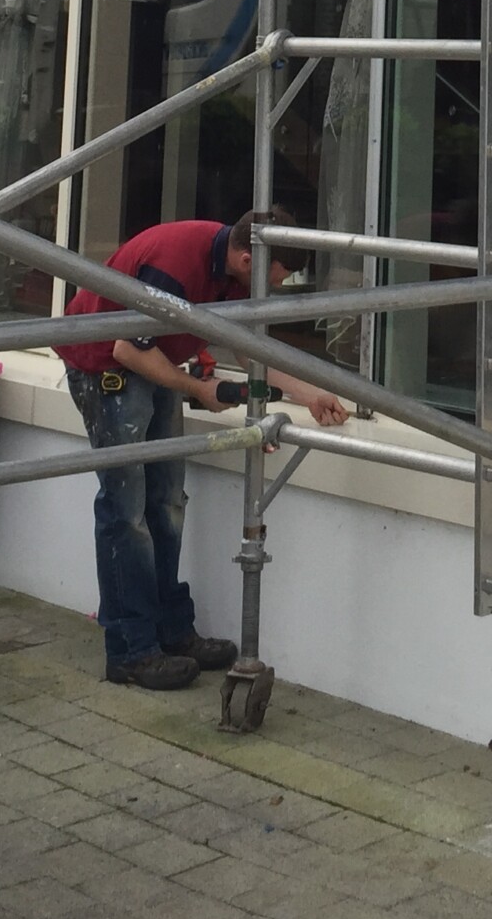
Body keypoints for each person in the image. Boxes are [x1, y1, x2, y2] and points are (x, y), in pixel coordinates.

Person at [57, 209, 350, 690]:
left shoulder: (235, 272)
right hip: (105, 371)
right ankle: (131, 650)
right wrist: (198, 390)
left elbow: (245, 348)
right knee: (126, 511)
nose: (272, 289)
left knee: (167, 502)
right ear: (244, 257)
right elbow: (126, 350)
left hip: (158, 362)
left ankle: (171, 632)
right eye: (273, 278)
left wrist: (308, 394)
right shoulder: (174, 264)